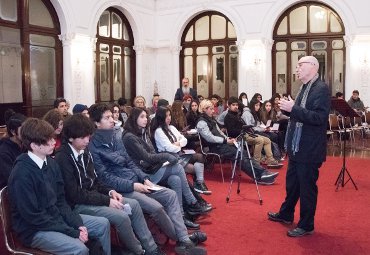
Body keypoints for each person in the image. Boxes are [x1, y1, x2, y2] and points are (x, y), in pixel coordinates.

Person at [88, 103, 207, 255]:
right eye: (107, 117)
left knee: (170, 195)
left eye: (112, 116)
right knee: (156, 207)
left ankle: (183, 239)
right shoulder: (93, 147)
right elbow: (105, 178)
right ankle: (179, 240)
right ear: (97, 123)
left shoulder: (115, 137)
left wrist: (144, 179)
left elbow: (130, 162)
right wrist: (133, 185)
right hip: (122, 189)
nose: (112, 120)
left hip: (137, 180)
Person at [55, 114, 164, 255]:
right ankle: (139, 251)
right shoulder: (62, 158)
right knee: (122, 217)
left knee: (134, 205)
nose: (87, 140)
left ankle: (151, 249)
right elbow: (75, 194)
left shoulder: (84, 150)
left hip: (94, 197)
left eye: (88, 136)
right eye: (83, 138)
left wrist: (110, 192)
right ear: (70, 138)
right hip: (77, 205)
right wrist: (107, 201)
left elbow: (95, 180)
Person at [7, 118, 111, 254]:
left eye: (52, 138)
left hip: (55, 218)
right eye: (48, 140)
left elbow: (61, 200)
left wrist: (77, 223)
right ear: (34, 145)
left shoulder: (51, 163)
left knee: (102, 224)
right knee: (79, 249)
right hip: (34, 229)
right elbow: (34, 217)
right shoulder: (21, 174)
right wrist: (71, 231)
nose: (53, 142)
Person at [267, 56, 330, 237]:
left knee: (306, 189)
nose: (297, 68)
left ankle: (306, 225)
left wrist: (293, 108)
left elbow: (319, 118)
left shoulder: (321, 89)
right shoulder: (303, 87)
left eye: (301, 65)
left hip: (309, 149)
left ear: (313, 67)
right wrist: (288, 110)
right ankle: (286, 214)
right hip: (296, 146)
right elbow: (302, 114)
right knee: (292, 184)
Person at [122, 108, 211, 223]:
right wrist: (165, 156)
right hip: (144, 174)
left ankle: (181, 216)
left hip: (152, 167)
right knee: (178, 167)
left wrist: (163, 158)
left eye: (146, 117)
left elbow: (152, 153)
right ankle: (192, 202)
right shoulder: (130, 137)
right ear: (134, 119)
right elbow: (147, 157)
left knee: (176, 179)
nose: (146, 119)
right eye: (142, 117)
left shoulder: (143, 132)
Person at [196, 99, 278, 185]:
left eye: (213, 108)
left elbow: (220, 133)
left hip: (222, 145)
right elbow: (209, 138)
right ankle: (259, 176)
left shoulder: (211, 120)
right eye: (211, 109)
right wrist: (225, 140)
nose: (213, 111)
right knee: (239, 154)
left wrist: (228, 138)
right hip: (214, 148)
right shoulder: (201, 122)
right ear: (204, 109)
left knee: (244, 152)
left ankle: (262, 172)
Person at [152, 106, 211, 194]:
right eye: (166, 116)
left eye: (169, 115)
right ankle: (198, 183)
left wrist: (177, 143)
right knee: (194, 169)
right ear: (161, 117)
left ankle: (199, 183)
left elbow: (185, 140)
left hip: (179, 153)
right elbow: (169, 148)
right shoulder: (159, 131)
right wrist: (179, 144)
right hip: (169, 157)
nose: (169, 118)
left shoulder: (171, 127)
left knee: (200, 157)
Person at [224, 97, 281, 168]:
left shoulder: (237, 115)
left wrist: (246, 128)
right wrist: (244, 129)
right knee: (260, 140)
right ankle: (256, 162)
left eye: (237, 105)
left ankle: (270, 160)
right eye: (233, 105)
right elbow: (231, 131)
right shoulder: (228, 117)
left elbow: (243, 126)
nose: (236, 106)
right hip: (238, 137)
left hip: (245, 134)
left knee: (267, 140)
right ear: (229, 106)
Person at [0, 110, 27, 189]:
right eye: (23, 130)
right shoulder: (4, 152)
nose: (27, 132)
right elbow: (12, 179)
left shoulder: (25, 145)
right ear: (13, 132)